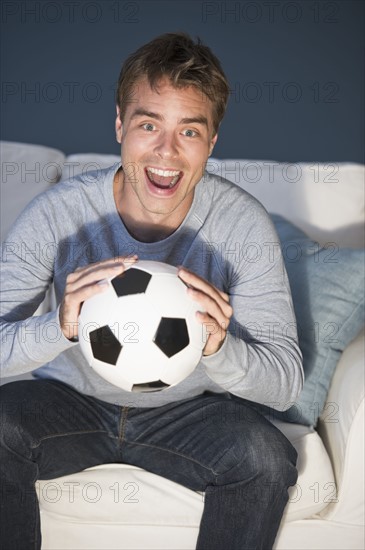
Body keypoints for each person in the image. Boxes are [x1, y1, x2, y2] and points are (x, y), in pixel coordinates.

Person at [0, 33, 303, 549]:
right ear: (119, 125)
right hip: (68, 401)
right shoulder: (58, 214)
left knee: (266, 459)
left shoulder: (242, 225)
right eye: (148, 125)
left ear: (213, 141)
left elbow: (286, 383)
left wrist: (219, 348)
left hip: (191, 412)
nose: (166, 151)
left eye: (189, 130)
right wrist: (60, 327)